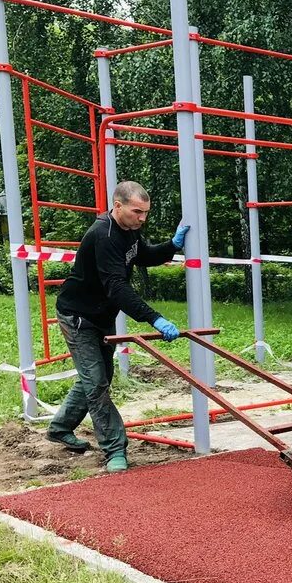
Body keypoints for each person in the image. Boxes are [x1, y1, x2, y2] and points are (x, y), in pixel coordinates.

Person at [46, 180, 190, 473]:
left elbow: (143, 255)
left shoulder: (129, 231)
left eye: (145, 213)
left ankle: (60, 426)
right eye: (138, 211)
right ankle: (115, 449)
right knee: (96, 383)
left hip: (101, 316)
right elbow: (117, 287)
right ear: (118, 206)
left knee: (99, 376)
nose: (142, 218)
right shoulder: (104, 235)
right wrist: (155, 318)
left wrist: (171, 247)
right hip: (78, 318)